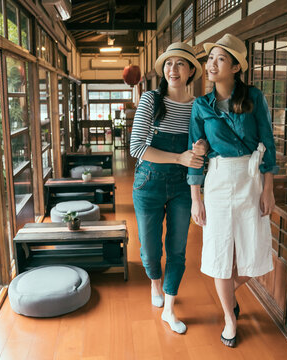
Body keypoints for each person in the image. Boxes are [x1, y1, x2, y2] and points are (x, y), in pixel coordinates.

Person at [188, 34, 278, 347]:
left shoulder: (254, 97)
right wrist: (195, 198)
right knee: (219, 253)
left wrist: (269, 188)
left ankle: (230, 289)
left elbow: (269, 143)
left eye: (219, 59)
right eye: (209, 58)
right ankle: (230, 317)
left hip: (251, 178)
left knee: (256, 253)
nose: (211, 65)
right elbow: (195, 154)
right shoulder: (201, 105)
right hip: (217, 179)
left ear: (236, 66)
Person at [130, 42, 207, 335]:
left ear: (190, 72)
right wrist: (178, 156)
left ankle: (170, 310)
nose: (172, 69)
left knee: (177, 250)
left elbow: (203, 145)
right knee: (150, 252)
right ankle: (155, 281)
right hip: (148, 181)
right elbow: (137, 147)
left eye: (180, 64)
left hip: (182, 186)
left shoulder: (199, 106)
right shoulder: (151, 100)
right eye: (168, 63)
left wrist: (202, 146)